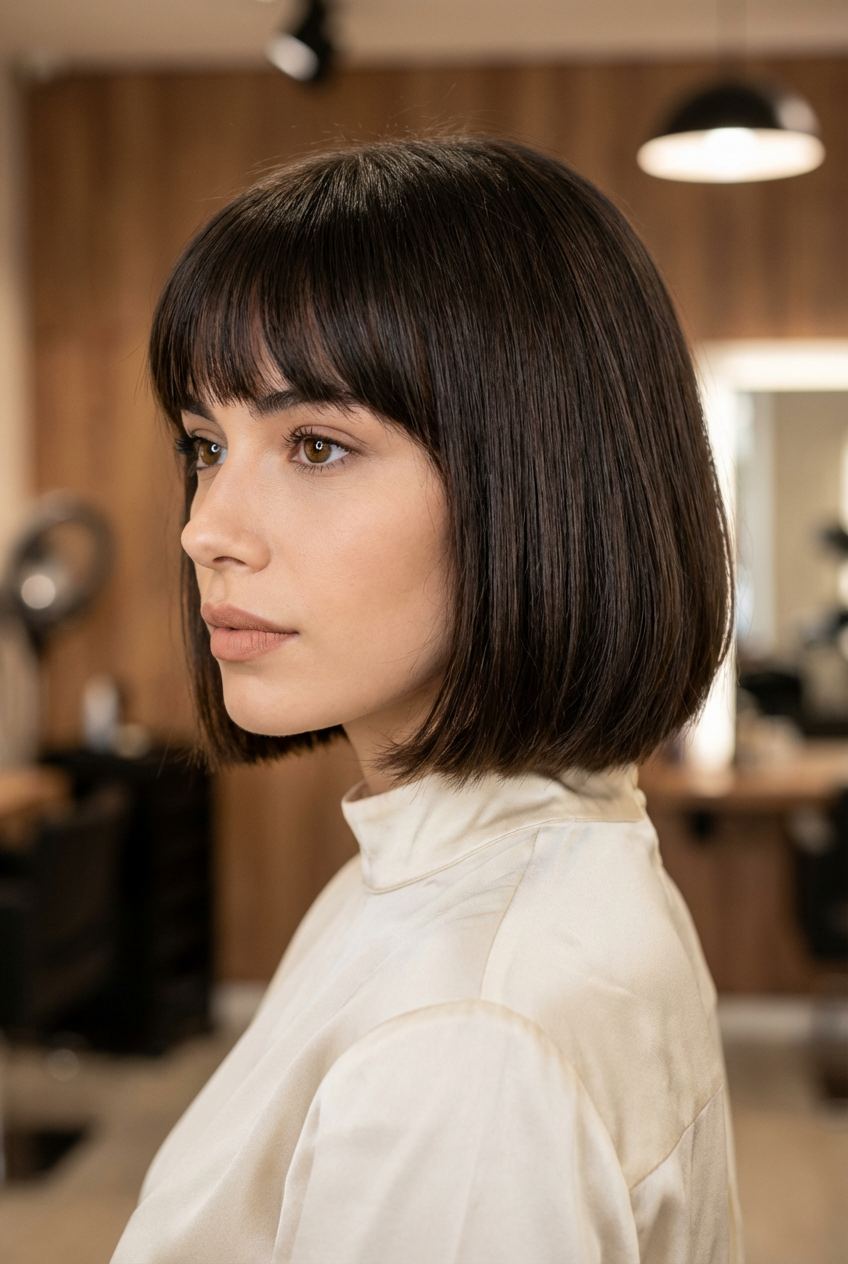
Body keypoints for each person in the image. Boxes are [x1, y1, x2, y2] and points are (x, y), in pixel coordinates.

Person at [112, 136, 741, 1263]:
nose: (204, 527)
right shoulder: (471, 870)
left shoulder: (465, 1047)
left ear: (534, 479)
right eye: (205, 443)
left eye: (314, 444)